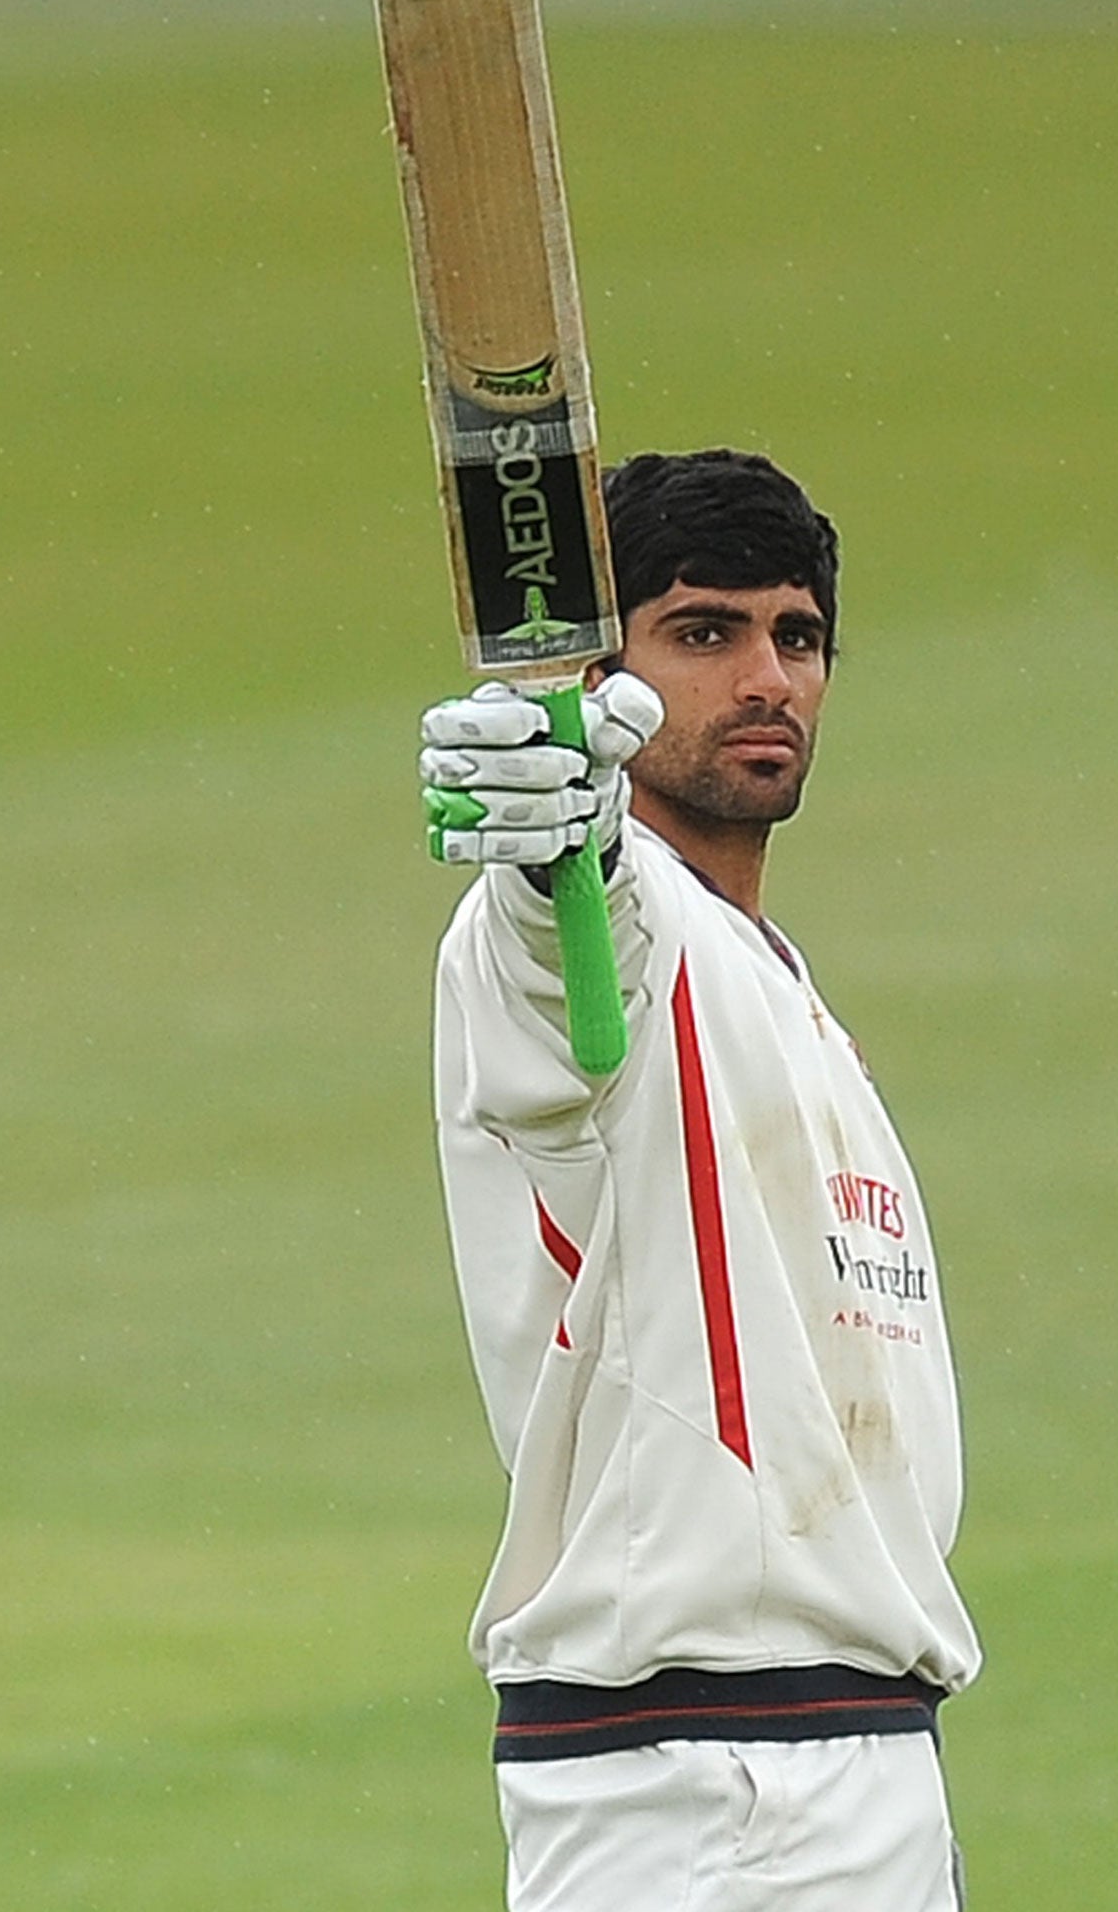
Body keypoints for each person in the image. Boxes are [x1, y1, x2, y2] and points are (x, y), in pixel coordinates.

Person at [419, 449, 981, 1912]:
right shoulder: (604, 931)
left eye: (795, 638)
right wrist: (555, 832)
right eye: (704, 631)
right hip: (706, 1778)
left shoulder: (773, 976)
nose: (765, 679)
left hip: (855, 1753)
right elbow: (567, 917)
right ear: (606, 678)